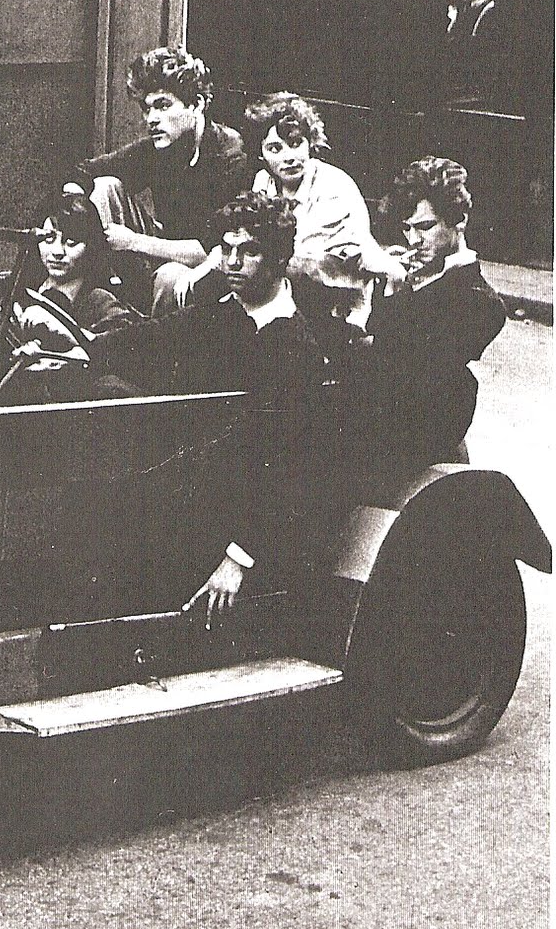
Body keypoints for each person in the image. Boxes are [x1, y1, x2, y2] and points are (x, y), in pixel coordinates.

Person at [94, 191, 325, 626]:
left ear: (277, 257)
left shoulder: (296, 348)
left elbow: (290, 467)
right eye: (227, 249)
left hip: (237, 531)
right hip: (186, 500)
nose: (233, 262)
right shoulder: (216, 318)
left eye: (250, 251)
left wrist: (237, 560)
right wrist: (78, 346)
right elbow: (144, 341)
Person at [344, 156, 506, 463]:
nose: (413, 239)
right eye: (407, 229)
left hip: (417, 439)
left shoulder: (481, 302)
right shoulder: (410, 272)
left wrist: (395, 287)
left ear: (459, 219)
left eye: (425, 227)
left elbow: (409, 367)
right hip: (374, 423)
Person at [67, 47, 251, 313]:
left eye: (163, 105)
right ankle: (102, 299)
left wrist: (132, 242)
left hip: (213, 271)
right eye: (146, 108)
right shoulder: (159, 146)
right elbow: (85, 171)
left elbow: (212, 249)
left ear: (197, 104)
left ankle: (150, 341)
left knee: (170, 276)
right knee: (105, 186)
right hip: (162, 250)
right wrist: (73, 199)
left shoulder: (228, 155)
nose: (151, 118)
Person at [236, 91, 405, 330]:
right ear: (260, 154)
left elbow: (307, 260)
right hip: (292, 287)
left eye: (296, 144)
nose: (289, 157)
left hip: (339, 299)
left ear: (310, 142)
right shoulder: (263, 181)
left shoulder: (333, 185)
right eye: (275, 148)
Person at [15, 191, 142, 352]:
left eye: (72, 242)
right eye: (49, 238)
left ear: (91, 246)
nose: (57, 251)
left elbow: (123, 348)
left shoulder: (100, 301)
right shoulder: (24, 289)